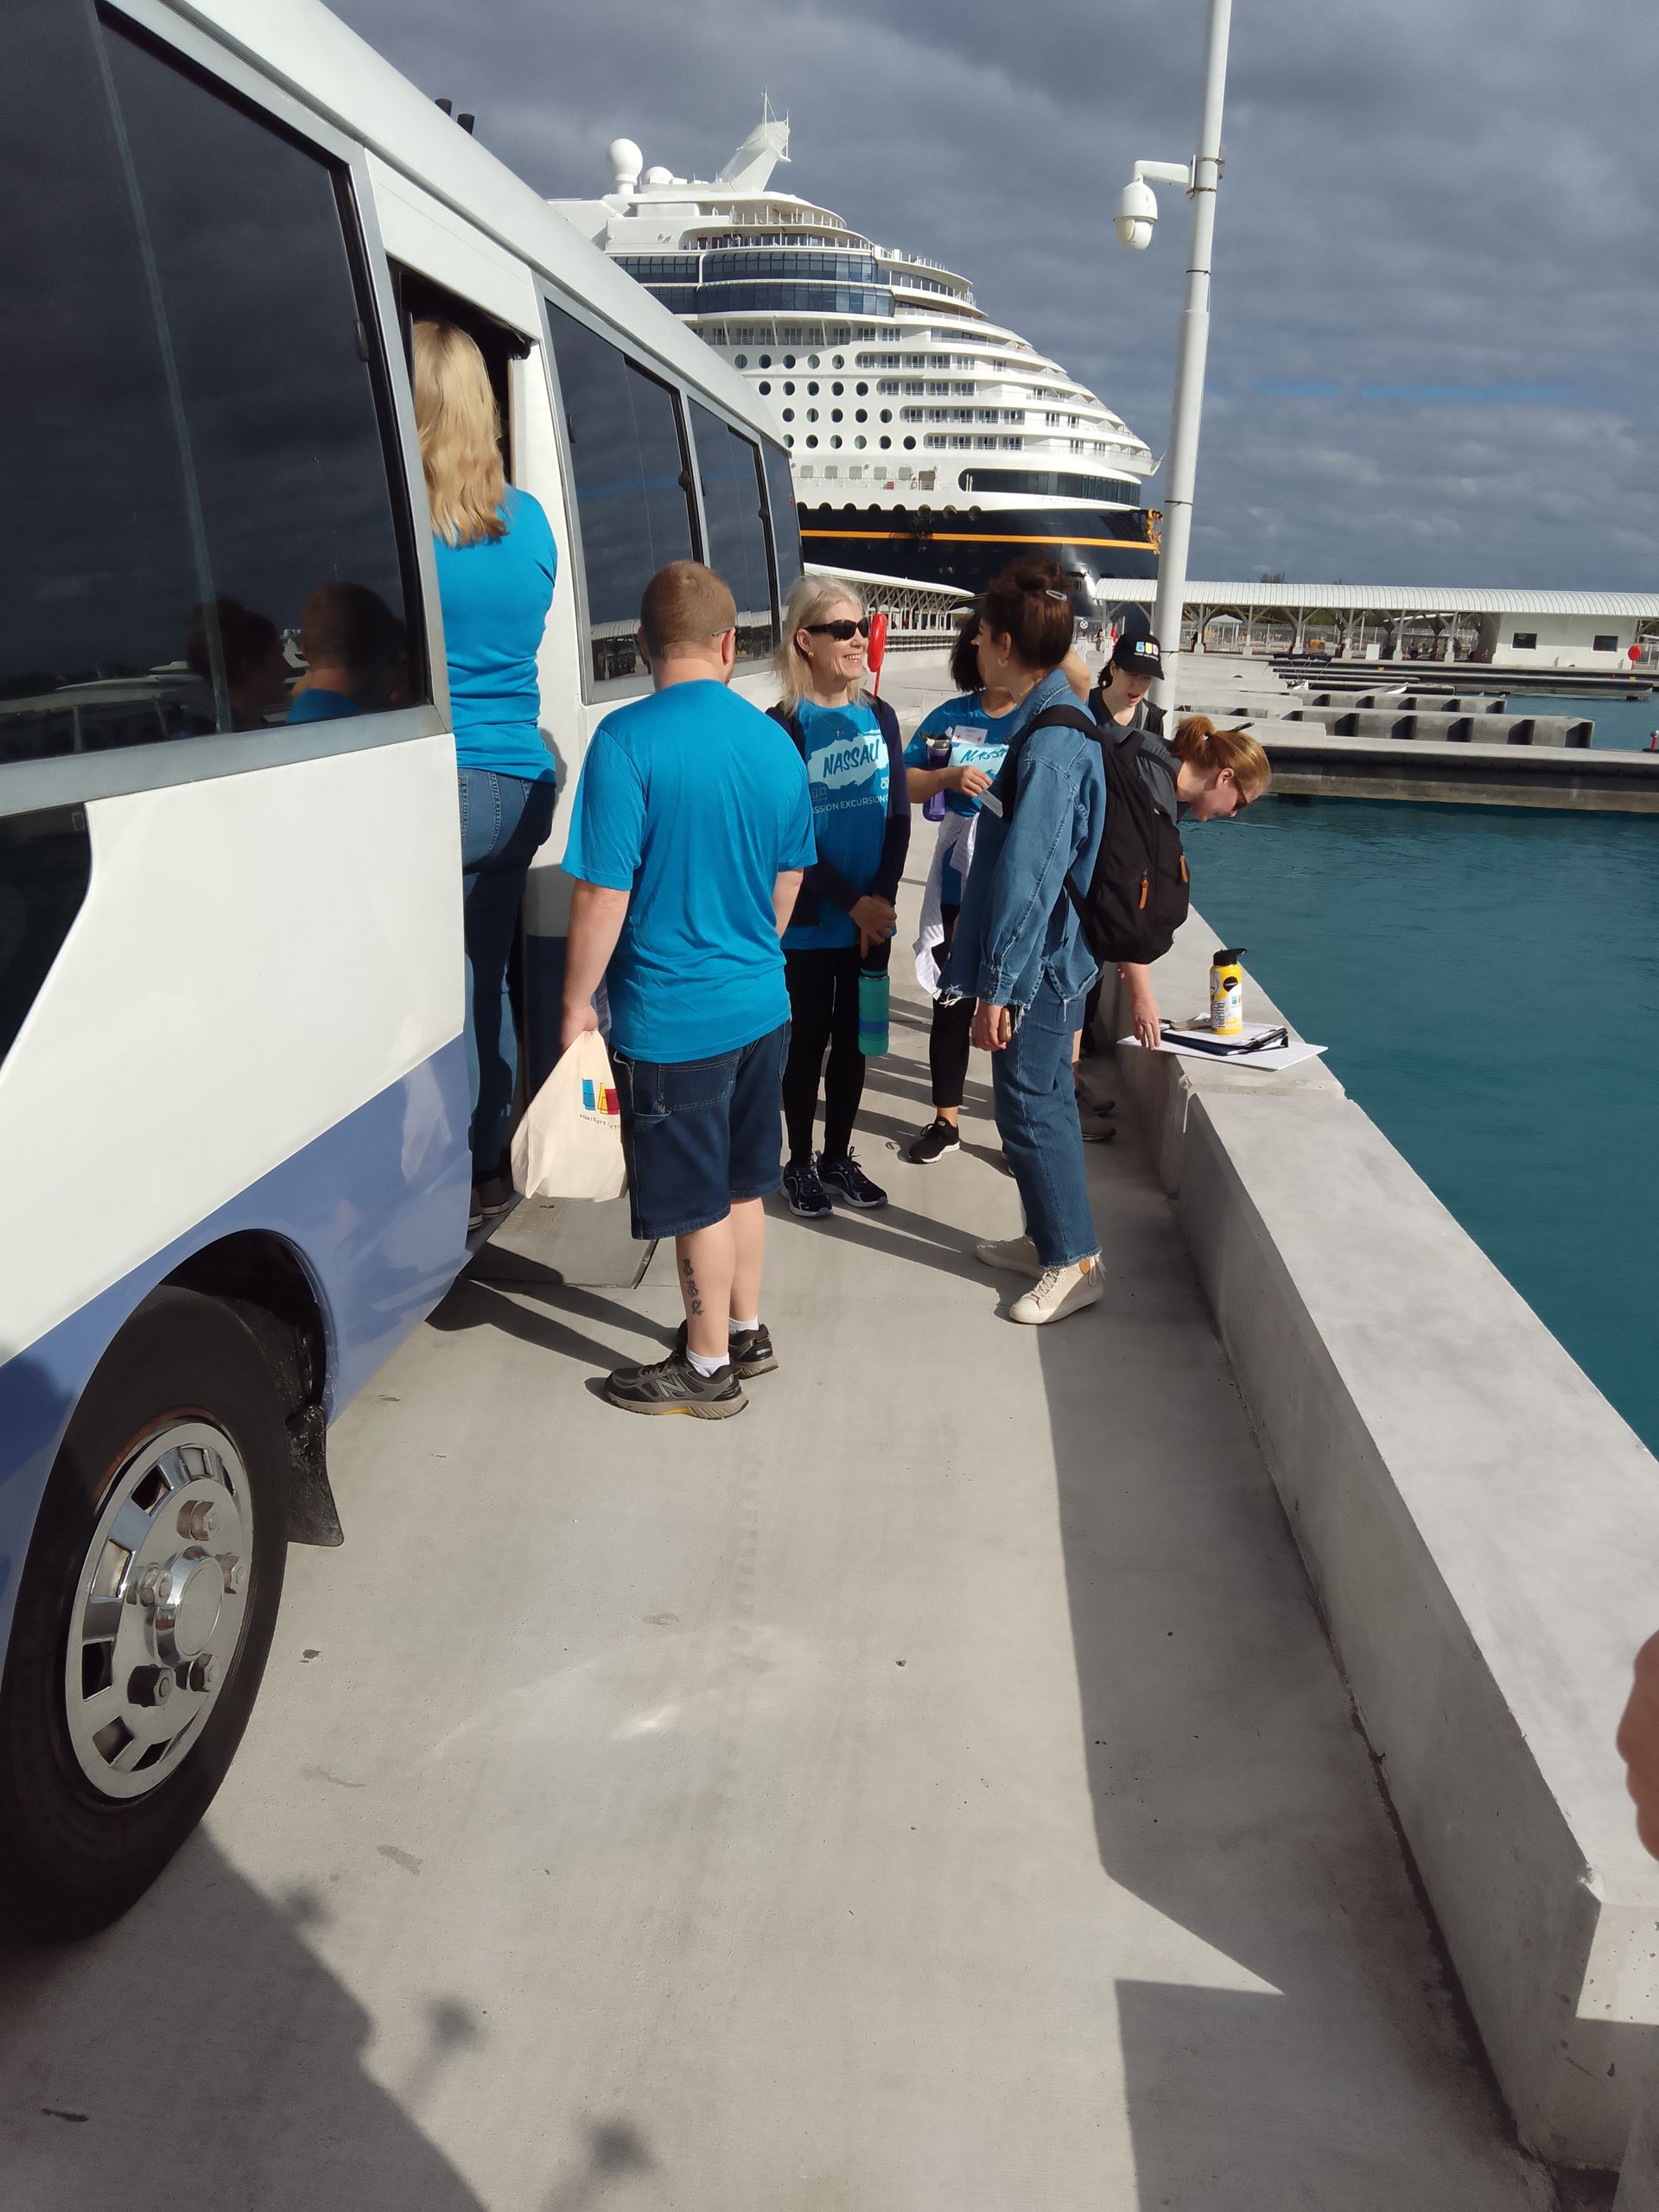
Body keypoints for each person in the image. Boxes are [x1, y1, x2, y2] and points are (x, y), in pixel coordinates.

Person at [559, 561, 815, 1420]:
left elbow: (602, 895)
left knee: (698, 1199)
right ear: (728, 643)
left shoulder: (626, 742)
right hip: (762, 1007)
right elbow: (789, 877)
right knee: (744, 1183)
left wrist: (574, 1006)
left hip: (674, 1021)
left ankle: (706, 1369)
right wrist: (749, 953)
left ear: (641, 645)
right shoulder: (774, 743)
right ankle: (745, 1330)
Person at [412, 320, 559, 1226]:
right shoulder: (531, 519)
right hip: (522, 783)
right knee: (488, 976)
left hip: (449, 787)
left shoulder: (410, 522)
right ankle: (488, 1170)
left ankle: (438, 1178)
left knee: (439, 996)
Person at [941, 561, 1109, 1326]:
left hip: (1040, 962)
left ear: (1005, 645)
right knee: (1036, 1100)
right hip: (1052, 954)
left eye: (981, 636)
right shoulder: (1055, 717)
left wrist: (999, 985)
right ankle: (1052, 1237)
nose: (976, 647)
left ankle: (1073, 1260)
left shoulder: (1049, 743)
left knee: (1031, 1107)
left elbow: (1032, 876)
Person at [767, 577, 909, 1217]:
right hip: (808, 924)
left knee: (855, 1042)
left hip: (867, 923)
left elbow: (898, 817)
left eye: (862, 627)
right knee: (806, 1045)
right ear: (807, 641)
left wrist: (879, 903)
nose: (858, 640)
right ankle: (797, 1161)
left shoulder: (880, 715)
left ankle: (837, 1155)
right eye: (843, 630)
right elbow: (787, 837)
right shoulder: (784, 727)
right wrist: (851, 903)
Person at [901, 607, 1021, 1165]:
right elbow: (905, 782)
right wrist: (948, 777)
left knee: (1011, 1008)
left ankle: (1019, 1130)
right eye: (976, 642)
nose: (983, 651)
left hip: (1013, 881)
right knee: (951, 1004)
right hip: (956, 882)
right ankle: (946, 1120)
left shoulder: (1038, 720)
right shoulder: (950, 716)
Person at [285, 582, 407, 722]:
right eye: (400, 659)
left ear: (306, 654)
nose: (399, 676)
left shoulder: (297, 718)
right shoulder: (370, 728)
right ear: (387, 652)